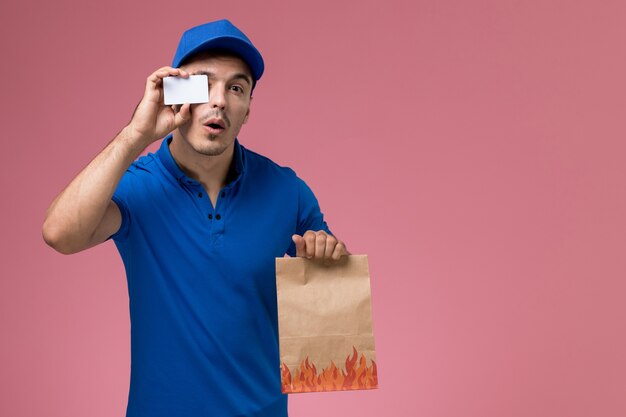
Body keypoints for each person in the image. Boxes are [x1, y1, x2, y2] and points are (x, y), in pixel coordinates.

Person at [42, 19, 349, 417]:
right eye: (202, 84)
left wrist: (328, 256)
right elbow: (59, 234)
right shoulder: (138, 187)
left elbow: (329, 308)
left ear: (248, 108)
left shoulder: (287, 190)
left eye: (236, 88)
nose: (219, 100)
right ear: (174, 93)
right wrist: (136, 133)